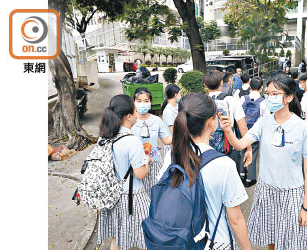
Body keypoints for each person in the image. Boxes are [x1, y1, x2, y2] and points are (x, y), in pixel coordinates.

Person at [220, 74, 307, 250]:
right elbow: (239, 144)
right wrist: (228, 130)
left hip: (292, 194)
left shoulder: (303, 128)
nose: (270, 98)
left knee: (290, 243)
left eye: (275, 94)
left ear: (289, 97)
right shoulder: (263, 122)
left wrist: (306, 207)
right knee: (270, 239)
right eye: (268, 93)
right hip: (266, 191)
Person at [160, 93, 252, 250]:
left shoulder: (172, 155)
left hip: (181, 240)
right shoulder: (224, 164)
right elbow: (235, 218)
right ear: (212, 122)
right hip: (215, 241)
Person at [97, 94, 151, 250]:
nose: (136, 115)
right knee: (145, 235)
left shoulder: (104, 137)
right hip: (132, 196)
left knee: (117, 237)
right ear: (129, 116)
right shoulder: (132, 140)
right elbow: (140, 174)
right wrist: (146, 162)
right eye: (134, 111)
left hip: (111, 195)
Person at [203, 70, 253, 177]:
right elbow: (243, 128)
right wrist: (249, 148)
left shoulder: (200, 102)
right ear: (222, 83)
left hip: (206, 152)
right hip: (230, 150)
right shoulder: (232, 100)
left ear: (205, 86)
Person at [131, 87, 172, 199]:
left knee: (156, 195)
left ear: (150, 102)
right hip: (136, 166)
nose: (142, 104)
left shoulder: (157, 120)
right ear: (134, 102)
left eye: (146, 101)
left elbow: (167, 140)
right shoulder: (130, 121)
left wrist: (182, 133)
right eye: (139, 101)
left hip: (155, 164)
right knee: (140, 197)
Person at [239, 76, 269, 187]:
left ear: (250, 86)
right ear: (261, 87)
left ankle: (242, 174)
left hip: (242, 130)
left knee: (242, 150)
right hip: (255, 132)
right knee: (253, 153)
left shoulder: (242, 99)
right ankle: (250, 178)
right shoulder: (263, 102)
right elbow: (266, 119)